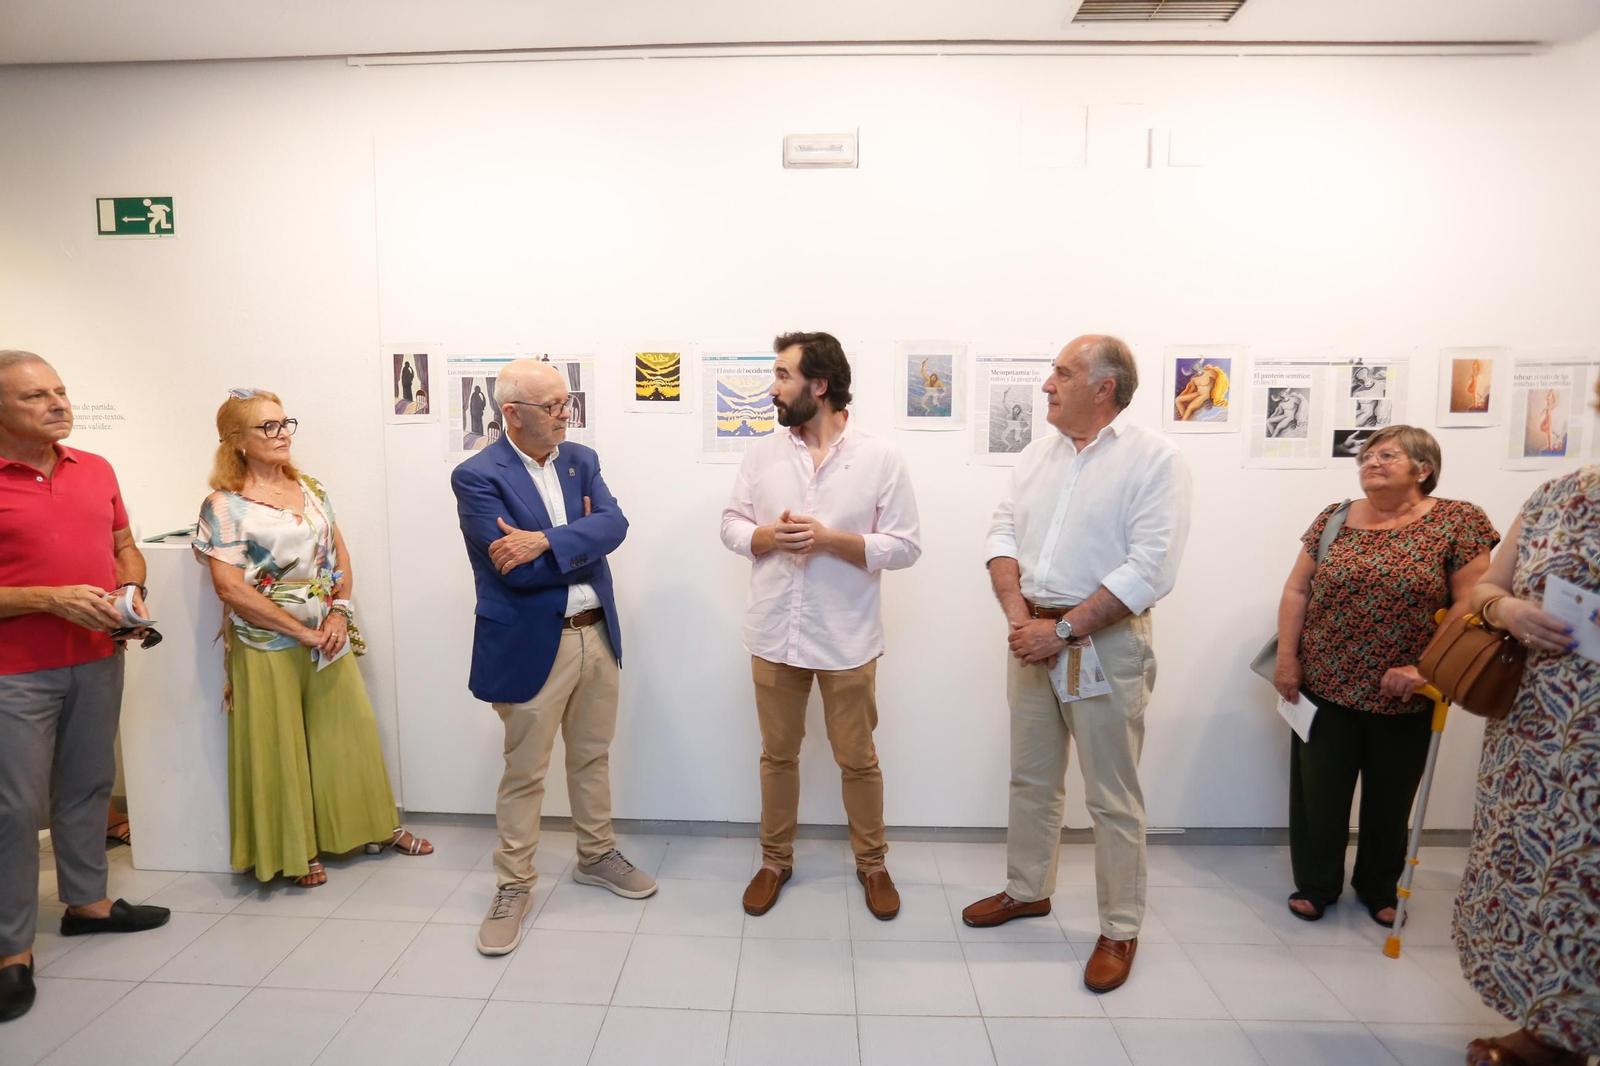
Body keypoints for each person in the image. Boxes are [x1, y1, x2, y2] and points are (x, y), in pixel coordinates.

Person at [962, 335, 1191, 994]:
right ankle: (1027, 890)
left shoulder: (1155, 462)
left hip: (1103, 642)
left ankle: (1120, 927)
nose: (1046, 385)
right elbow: (1002, 532)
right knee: (1031, 778)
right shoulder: (1038, 455)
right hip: (1031, 634)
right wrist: (1018, 616)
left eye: (1061, 373)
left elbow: (1151, 568)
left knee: (1112, 796)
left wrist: (1060, 630)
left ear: (1105, 388)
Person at [450, 359, 652, 958]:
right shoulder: (476, 475)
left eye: (568, 403)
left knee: (592, 755)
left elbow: (615, 525)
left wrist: (544, 540)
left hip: (597, 633)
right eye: (553, 406)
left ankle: (596, 855)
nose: (567, 415)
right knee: (525, 772)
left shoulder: (580, 460)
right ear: (512, 413)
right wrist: (574, 544)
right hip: (532, 641)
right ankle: (513, 886)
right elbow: (508, 569)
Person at [193, 389, 431, 890]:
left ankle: (372, 829)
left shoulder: (312, 487)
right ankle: (293, 850)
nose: (282, 435)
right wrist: (300, 631)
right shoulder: (224, 505)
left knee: (348, 731)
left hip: (327, 632)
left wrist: (339, 614)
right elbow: (228, 586)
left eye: (285, 424)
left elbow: (340, 553)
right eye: (267, 427)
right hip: (267, 641)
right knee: (276, 744)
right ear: (235, 440)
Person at [721, 332, 922, 920]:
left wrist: (832, 540)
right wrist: (764, 536)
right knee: (777, 755)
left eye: (783, 376)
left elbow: (907, 546)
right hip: (772, 632)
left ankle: (872, 863)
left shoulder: (879, 456)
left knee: (857, 757)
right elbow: (731, 523)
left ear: (820, 385)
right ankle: (774, 859)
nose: (773, 388)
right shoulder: (762, 454)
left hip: (848, 637)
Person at [0, 350, 170, 1024]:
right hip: (14, 670)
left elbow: (124, 544)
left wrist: (130, 588)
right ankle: (11, 950)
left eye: (61, 391)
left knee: (89, 783)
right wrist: (49, 597)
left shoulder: (94, 468)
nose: (57, 404)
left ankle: (88, 904)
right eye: (35, 397)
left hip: (98, 656)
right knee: (13, 810)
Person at [1272, 425, 1496, 927]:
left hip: (1408, 689)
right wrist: (1288, 658)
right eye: (1367, 456)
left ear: (1424, 469)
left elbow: (1473, 602)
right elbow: (1297, 590)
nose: (1370, 462)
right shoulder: (1334, 517)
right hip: (1325, 681)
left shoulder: (1459, 520)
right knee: (1318, 793)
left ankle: (1378, 886)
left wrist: (1425, 668)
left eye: (1387, 455)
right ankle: (1316, 882)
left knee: (1391, 796)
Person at [1452, 381, 1599, 1066]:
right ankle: (1552, 1034)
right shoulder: (1554, 496)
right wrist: (1508, 613)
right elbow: (1487, 587)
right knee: (1546, 883)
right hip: (1538, 733)